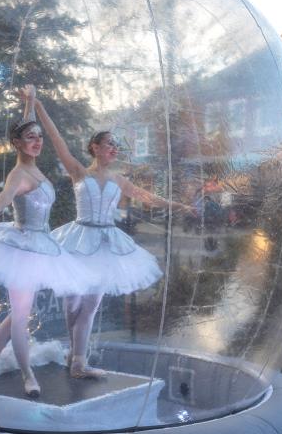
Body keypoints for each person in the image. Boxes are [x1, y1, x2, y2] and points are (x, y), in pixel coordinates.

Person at [0, 88, 95, 397]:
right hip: (23, 248)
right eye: (31, 138)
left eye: (39, 137)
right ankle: (28, 375)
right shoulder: (19, 174)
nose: (38, 141)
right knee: (22, 316)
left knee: (18, 313)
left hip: (42, 247)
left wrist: (30, 103)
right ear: (16, 144)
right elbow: (5, 196)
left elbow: (26, 126)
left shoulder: (34, 166)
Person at [31, 85, 187, 378]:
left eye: (117, 146)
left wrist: (180, 205)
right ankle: (74, 356)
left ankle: (79, 362)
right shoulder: (78, 171)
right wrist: (38, 106)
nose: (114, 149)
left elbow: (147, 196)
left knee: (90, 304)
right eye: (109, 145)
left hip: (106, 244)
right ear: (95, 148)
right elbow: (57, 140)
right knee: (72, 302)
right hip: (77, 240)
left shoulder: (120, 179)